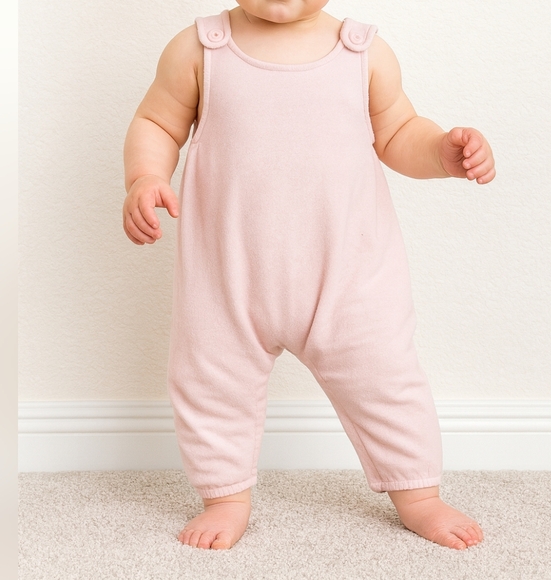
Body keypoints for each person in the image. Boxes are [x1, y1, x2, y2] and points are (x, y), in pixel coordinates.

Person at [123, 0, 495, 552]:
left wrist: (441, 153)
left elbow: (398, 133)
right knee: (209, 381)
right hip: (227, 278)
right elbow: (156, 122)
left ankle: (419, 494)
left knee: (386, 379)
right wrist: (145, 175)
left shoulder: (363, 52)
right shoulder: (200, 48)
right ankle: (225, 496)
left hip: (349, 278)